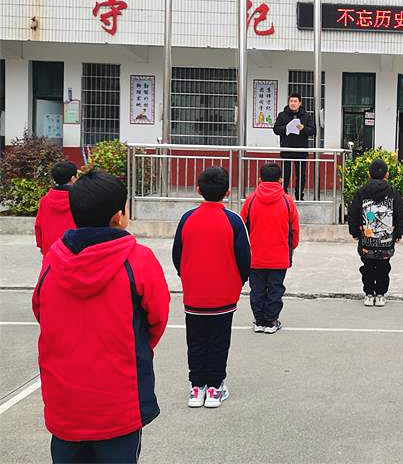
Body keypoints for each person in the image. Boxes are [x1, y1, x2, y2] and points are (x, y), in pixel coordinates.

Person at [32, 169, 170, 463]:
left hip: (65, 401)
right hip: (119, 401)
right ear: (118, 217)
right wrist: (133, 348)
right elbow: (157, 320)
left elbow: (40, 311)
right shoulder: (138, 260)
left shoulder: (52, 261)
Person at [172, 167, 251, 409]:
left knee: (195, 342)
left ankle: (197, 388)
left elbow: (177, 254)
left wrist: (188, 276)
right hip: (224, 296)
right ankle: (215, 388)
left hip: (194, 294)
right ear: (228, 192)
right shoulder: (234, 221)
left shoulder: (187, 219)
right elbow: (244, 258)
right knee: (219, 342)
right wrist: (237, 282)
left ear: (198, 190)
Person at [241, 163, 299, 334]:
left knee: (257, 289)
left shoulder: (251, 200)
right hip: (279, 255)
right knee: (275, 289)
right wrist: (292, 247)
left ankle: (259, 321)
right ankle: (271, 321)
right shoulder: (287, 201)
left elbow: (242, 227)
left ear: (259, 179)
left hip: (255, 255)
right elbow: (294, 229)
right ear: (281, 180)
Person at [348, 158, 403, 307]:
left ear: (369, 174)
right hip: (386, 240)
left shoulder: (362, 192)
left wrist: (354, 232)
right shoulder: (393, 193)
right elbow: (400, 213)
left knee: (367, 267)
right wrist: (399, 233)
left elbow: (353, 213)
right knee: (384, 267)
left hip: (366, 240)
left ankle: (369, 294)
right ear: (387, 174)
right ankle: (380, 295)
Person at [272, 92, 315, 201]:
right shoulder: (282, 115)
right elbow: (276, 129)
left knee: (301, 175)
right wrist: (286, 128)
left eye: (295, 101)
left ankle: (299, 195)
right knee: (285, 174)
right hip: (286, 149)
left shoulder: (306, 116)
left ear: (300, 103)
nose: (293, 103)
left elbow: (312, 131)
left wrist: (303, 128)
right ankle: (283, 195)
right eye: (291, 101)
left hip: (301, 150)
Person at [34, 161, 78, 256]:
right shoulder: (80, 199)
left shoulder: (44, 200)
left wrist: (41, 246)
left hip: (51, 252)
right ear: (73, 179)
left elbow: (38, 226)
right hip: (74, 252)